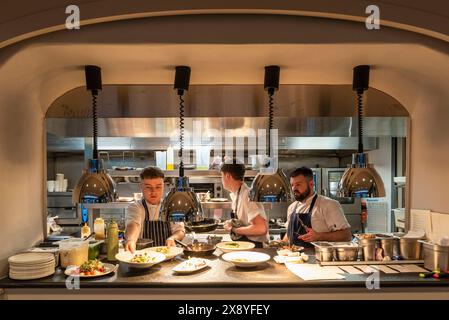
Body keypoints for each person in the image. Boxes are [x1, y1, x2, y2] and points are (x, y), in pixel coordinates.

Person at [283, 167, 352, 246]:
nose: (294, 188)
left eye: (298, 184)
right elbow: (289, 233)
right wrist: (280, 244)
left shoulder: (329, 205)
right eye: (292, 185)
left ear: (311, 184)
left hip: (319, 256)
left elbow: (346, 235)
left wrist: (318, 236)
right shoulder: (292, 207)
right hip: (294, 257)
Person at [124, 167, 185, 252]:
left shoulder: (170, 206)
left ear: (163, 186)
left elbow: (180, 231)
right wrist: (131, 240)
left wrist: (173, 238)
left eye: (158, 187)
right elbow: (133, 224)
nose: (153, 192)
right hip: (144, 258)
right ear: (141, 187)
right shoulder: (136, 207)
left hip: (167, 256)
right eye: (148, 187)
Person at [220, 162, 269, 247]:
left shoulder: (246, 195)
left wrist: (234, 229)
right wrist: (233, 223)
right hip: (246, 245)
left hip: (254, 248)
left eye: (222, 176)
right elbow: (245, 222)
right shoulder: (237, 194)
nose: (221, 179)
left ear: (228, 176)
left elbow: (261, 228)